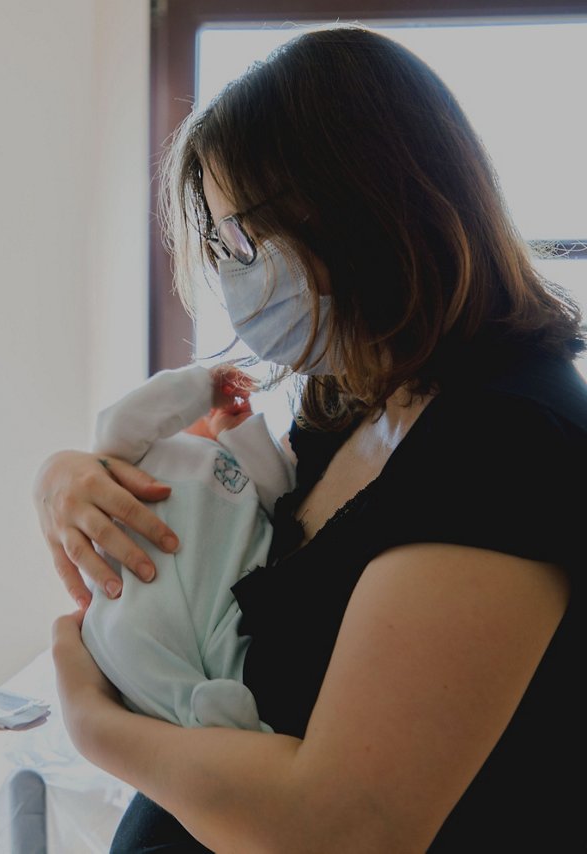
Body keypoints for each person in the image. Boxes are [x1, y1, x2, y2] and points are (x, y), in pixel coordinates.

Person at [33, 25, 584, 853]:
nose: (231, 273)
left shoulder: (507, 442)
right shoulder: (352, 400)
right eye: (219, 245)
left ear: (370, 201)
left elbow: (343, 829)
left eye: (244, 238)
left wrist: (91, 723)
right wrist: (66, 480)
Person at [81, 362, 290, 732]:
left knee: (232, 653)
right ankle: (189, 709)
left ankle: (235, 724)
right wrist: (201, 386)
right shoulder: (131, 455)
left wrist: (241, 431)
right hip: (143, 591)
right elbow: (117, 424)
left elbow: (286, 501)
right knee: (116, 635)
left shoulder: (242, 465)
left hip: (225, 598)